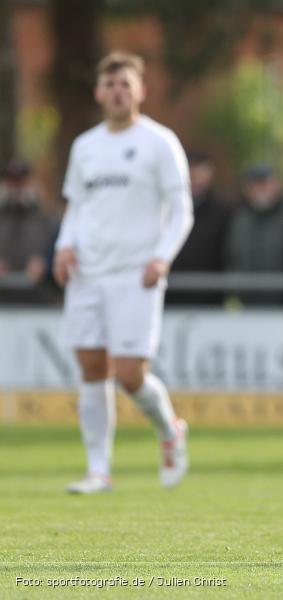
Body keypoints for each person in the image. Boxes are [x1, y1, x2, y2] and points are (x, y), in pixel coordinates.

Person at [53, 51, 192, 494]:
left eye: (125, 84)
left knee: (130, 374)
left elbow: (181, 210)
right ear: (98, 93)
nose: (117, 92)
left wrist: (162, 257)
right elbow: (77, 206)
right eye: (110, 85)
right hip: (87, 273)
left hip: (137, 272)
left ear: (140, 91)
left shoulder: (159, 142)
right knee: (91, 367)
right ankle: (99, 471)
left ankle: (169, 429)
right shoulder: (85, 146)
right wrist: (64, 245)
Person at [224, 163, 283, 305]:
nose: (259, 189)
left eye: (264, 183)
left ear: (278, 185)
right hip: (248, 304)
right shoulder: (239, 220)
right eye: (253, 185)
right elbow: (231, 257)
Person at [167, 151, 232, 306]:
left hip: (209, 295)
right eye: (190, 172)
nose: (194, 178)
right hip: (171, 293)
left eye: (199, 172)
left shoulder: (223, 211)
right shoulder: (167, 208)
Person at [0, 159, 57, 304]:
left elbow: (61, 251)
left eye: (21, 182)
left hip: (39, 300)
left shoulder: (48, 219)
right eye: (12, 182)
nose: (17, 188)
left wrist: (45, 263)